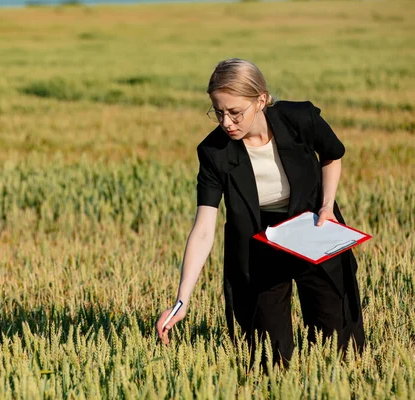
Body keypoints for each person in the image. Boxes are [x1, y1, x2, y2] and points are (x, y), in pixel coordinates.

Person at [155, 58, 365, 367]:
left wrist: (327, 205)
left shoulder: (301, 119)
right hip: (259, 239)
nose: (227, 123)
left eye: (235, 112)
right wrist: (181, 300)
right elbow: (203, 228)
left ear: (261, 100)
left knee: (337, 339)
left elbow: (332, 155)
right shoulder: (214, 152)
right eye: (218, 112)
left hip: (313, 226)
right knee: (268, 353)